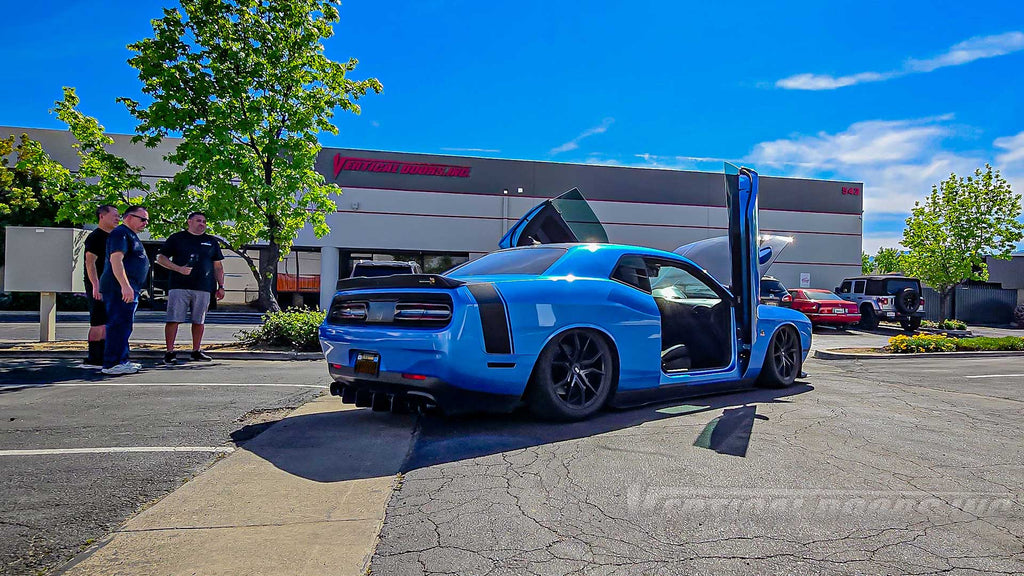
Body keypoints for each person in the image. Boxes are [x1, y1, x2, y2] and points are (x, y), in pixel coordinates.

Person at [156, 211, 225, 365]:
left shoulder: (211, 241)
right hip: (179, 286)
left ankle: (196, 351)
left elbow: (218, 266)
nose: (202, 224)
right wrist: (178, 268)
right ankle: (169, 352)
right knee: (174, 319)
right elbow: (160, 258)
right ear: (189, 222)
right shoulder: (177, 238)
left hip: (204, 288)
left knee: (199, 321)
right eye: (199, 221)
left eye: (204, 221)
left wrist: (221, 286)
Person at [99, 205, 151, 375]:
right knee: (118, 324)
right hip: (118, 288)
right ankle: (112, 363)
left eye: (147, 220)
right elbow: (116, 260)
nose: (145, 223)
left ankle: (121, 359)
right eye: (142, 219)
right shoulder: (120, 233)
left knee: (124, 324)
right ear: (129, 217)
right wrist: (125, 285)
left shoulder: (130, 235)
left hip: (129, 287)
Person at [80, 204, 119, 369]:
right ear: (102, 216)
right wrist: (96, 286)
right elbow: (90, 264)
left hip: (111, 287)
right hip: (99, 286)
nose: (118, 218)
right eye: (115, 215)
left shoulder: (115, 236)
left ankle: (106, 355)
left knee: (108, 322)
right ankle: (94, 358)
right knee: (98, 322)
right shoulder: (95, 237)